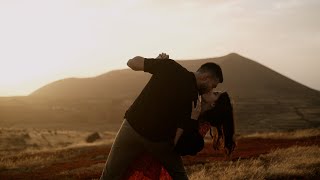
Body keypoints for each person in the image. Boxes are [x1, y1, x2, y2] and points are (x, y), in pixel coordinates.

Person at [100, 53, 224, 180]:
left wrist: (157, 61)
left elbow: (132, 63)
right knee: (180, 176)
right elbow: (178, 137)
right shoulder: (194, 99)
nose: (210, 89)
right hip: (159, 143)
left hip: (131, 129)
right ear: (206, 77)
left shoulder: (170, 66)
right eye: (213, 85)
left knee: (109, 176)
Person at [123, 91, 236, 179]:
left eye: (215, 93)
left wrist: (192, 117)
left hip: (159, 154)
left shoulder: (202, 124)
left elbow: (183, 146)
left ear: (213, 104)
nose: (211, 90)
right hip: (148, 143)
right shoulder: (193, 102)